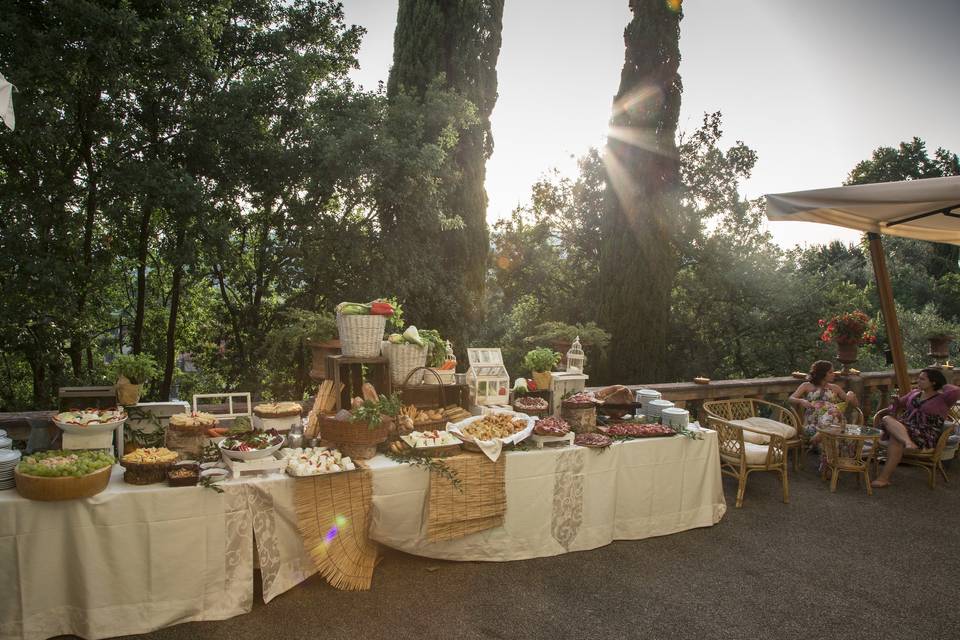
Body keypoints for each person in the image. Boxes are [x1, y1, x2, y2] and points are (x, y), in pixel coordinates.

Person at [871, 368, 960, 488]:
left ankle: (884, 478)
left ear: (933, 382)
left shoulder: (943, 398)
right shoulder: (914, 393)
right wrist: (895, 402)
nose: (918, 380)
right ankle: (907, 442)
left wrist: (942, 385)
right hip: (906, 428)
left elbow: (956, 391)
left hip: (925, 433)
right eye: (919, 378)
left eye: (922, 379)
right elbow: (896, 405)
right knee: (887, 419)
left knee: (896, 438)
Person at [789, 360, 859, 442]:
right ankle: (822, 435)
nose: (834, 374)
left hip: (834, 422)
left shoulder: (835, 388)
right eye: (830, 372)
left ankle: (820, 436)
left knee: (834, 413)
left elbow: (855, 405)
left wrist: (852, 396)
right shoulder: (806, 386)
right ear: (822, 374)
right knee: (834, 414)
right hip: (813, 422)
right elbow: (791, 398)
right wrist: (801, 401)